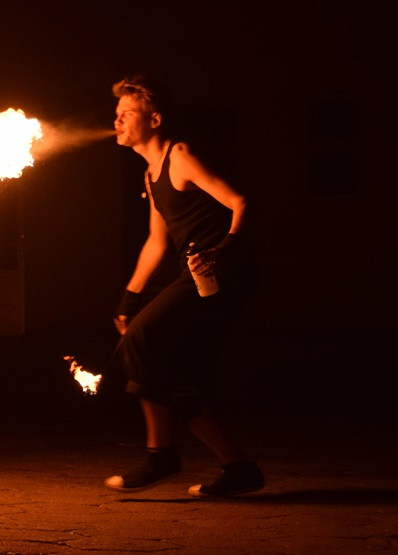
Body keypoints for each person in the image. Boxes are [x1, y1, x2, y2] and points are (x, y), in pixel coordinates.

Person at [106, 74, 264, 497]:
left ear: (154, 119)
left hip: (223, 273)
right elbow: (157, 242)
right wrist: (129, 298)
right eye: (117, 115)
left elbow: (240, 202)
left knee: (140, 342)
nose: (117, 122)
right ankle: (239, 469)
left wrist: (223, 249)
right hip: (195, 276)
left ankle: (161, 456)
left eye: (127, 114)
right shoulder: (150, 175)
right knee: (180, 375)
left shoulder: (180, 156)